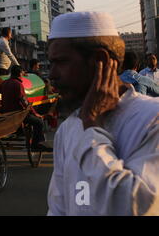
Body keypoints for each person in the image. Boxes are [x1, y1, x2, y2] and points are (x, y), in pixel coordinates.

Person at [47, 12, 159, 216]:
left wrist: (91, 127)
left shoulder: (152, 118)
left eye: (61, 62)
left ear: (100, 60)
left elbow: (131, 207)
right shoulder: (67, 129)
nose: (52, 75)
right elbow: (58, 208)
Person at [0, 65, 51, 151]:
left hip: (6, 113)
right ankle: (36, 145)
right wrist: (35, 113)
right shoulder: (18, 84)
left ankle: (21, 131)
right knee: (39, 122)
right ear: (20, 73)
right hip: (18, 114)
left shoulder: (4, 83)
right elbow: (24, 101)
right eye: (23, 73)